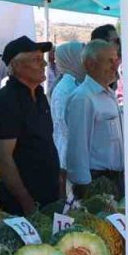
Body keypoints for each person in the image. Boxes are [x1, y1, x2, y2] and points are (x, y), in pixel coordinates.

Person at [0, 36, 60, 214]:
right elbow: (4, 159)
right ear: (16, 65)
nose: (43, 65)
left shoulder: (39, 94)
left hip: (48, 195)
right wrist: (25, 200)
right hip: (23, 203)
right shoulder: (8, 100)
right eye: (36, 60)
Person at [64, 39, 124, 197]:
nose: (115, 66)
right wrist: (84, 189)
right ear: (91, 64)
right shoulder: (83, 98)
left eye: (116, 60)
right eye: (109, 61)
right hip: (96, 182)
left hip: (115, 179)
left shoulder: (109, 95)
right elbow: (77, 147)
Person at [50, 40, 86, 168]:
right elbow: (66, 130)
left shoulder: (79, 83)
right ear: (71, 59)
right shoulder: (65, 89)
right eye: (82, 57)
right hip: (68, 159)